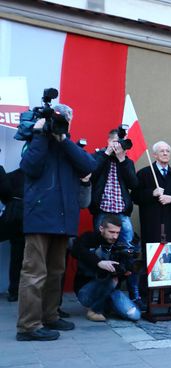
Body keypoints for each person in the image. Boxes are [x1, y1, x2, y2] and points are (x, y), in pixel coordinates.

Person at [16, 105, 96, 341]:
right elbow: (29, 167)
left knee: (55, 273)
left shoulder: (67, 145)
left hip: (63, 219)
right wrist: (41, 135)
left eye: (68, 119)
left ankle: (49, 316)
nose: (65, 123)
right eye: (61, 119)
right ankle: (28, 326)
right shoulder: (35, 140)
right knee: (34, 273)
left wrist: (63, 140)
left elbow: (89, 165)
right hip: (40, 216)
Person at [132, 141, 171, 296]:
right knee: (150, 258)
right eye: (162, 151)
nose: (165, 153)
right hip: (152, 223)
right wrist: (152, 193)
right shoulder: (144, 173)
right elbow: (135, 196)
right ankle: (147, 297)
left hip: (170, 225)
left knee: (169, 260)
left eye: (167, 150)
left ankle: (169, 297)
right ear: (155, 155)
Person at [89, 128, 140, 302]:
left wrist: (122, 159)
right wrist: (107, 153)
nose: (119, 147)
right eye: (116, 143)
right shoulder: (98, 156)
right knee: (101, 253)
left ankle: (135, 295)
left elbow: (134, 183)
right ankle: (100, 297)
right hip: (102, 212)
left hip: (122, 214)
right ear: (109, 141)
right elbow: (91, 175)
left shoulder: (126, 161)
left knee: (129, 253)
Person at [72, 214, 141, 322]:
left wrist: (125, 272)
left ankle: (107, 306)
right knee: (110, 280)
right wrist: (99, 263)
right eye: (111, 232)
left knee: (135, 315)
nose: (115, 236)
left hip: (111, 290)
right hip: (86, 290)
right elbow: (76, 250)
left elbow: (119, 273)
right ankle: (95, 310)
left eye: (117, 233)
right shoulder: (89, 238)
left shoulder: (119, 245)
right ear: (101, 229)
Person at [0, 165, 24, 303]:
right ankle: (15, 290)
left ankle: (14, 291)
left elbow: (5, 195)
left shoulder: (10, 175)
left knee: (17, 256)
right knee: (21, 257)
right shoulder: (41, 176)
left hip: (13, 219)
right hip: (28, 220)